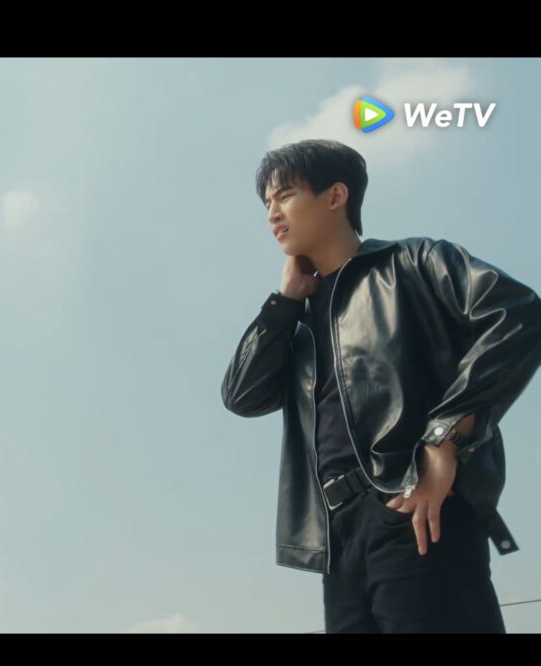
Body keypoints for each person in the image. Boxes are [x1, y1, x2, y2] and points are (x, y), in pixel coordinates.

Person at [221, 139, 541, 633]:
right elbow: (242, 396)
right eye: (266, 203)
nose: (272, 214)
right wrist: (283, 302)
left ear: (335, 196)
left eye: (284, 195)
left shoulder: (411, 262)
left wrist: (445, 438)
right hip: (336, 537)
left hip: (413, 505)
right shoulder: (296, 322)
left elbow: (518, 315)